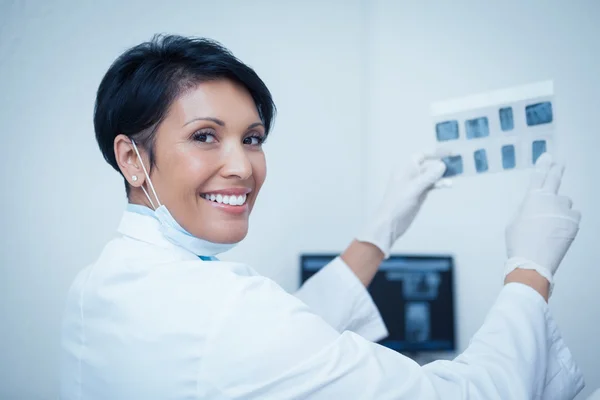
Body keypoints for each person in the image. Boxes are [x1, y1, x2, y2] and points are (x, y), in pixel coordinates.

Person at [59, 34, 585, 399]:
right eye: (205, 136)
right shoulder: (225, 312)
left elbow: (272, 341)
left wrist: (379, 232)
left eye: (253, 139)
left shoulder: (99, 284)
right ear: (131, 158)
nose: (243, 166)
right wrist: (529, 270)